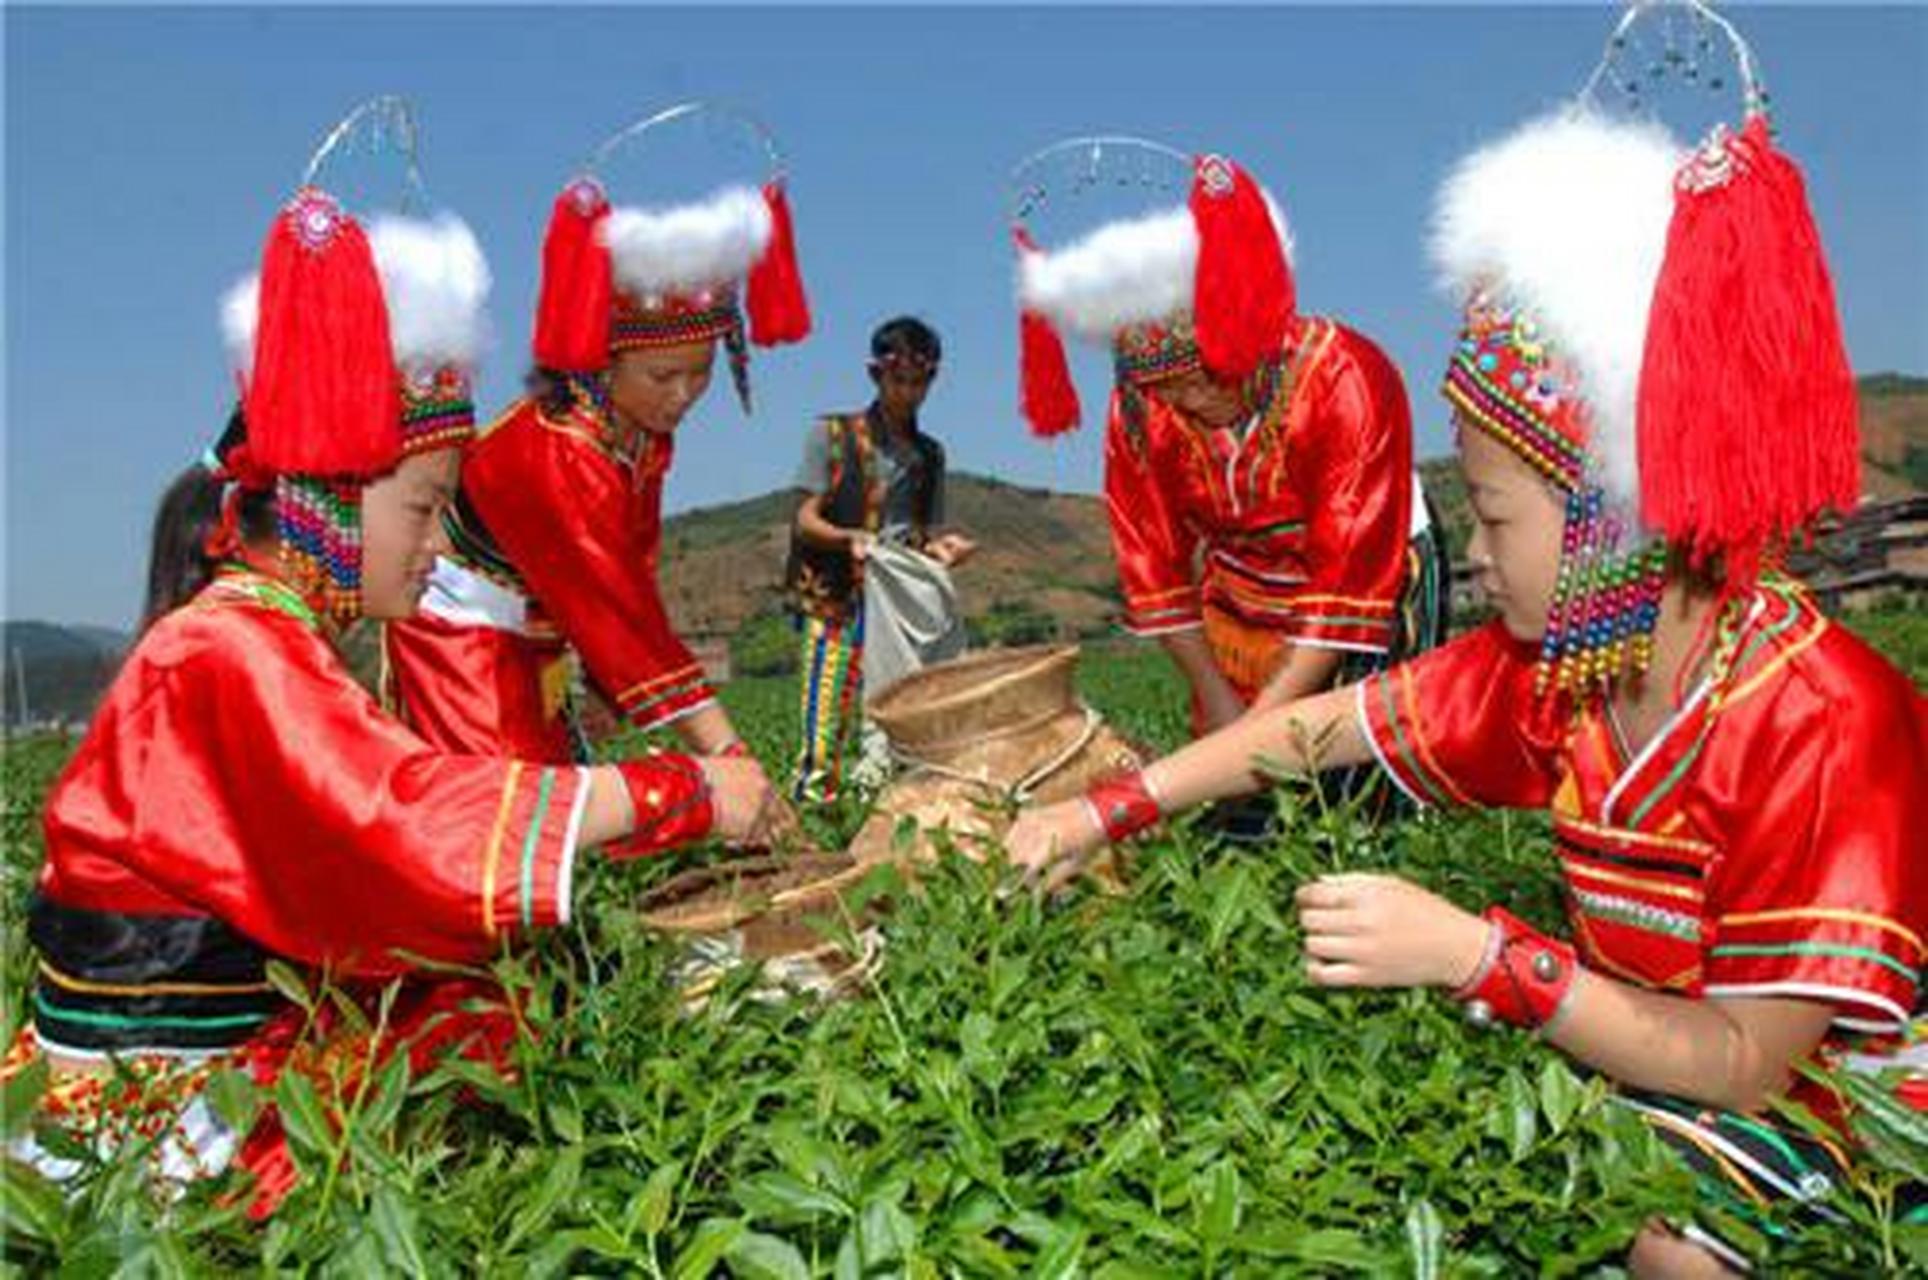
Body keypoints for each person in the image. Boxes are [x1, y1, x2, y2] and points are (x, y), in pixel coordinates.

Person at [1009, 105, 1926, 1274]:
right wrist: (1102, 808)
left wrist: (1482, 956)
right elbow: (1318, 724)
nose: (1473, 556)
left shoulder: (1819, 716)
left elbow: (1751, 1060)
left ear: (1611, 516)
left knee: (1663, 1243)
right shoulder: (1558, 670)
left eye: (1492, 516)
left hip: (1834, 1082)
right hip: (1647, 1050)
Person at [5, 148, 777, 1214]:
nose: (432, 545)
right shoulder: (224, 647)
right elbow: (401, 815)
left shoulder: (254, 630)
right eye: (419, 511)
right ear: (326, 498)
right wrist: (680, 791)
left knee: (501, 992)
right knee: (498, 1019)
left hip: (212, 1028)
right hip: (157, 1103)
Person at [383, 105, 811, 776]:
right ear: (601, 365)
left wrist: (615, 690)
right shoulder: (561, 452)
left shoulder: (637, 435)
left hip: (537, 624)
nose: (681, 397)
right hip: (459, 623)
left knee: (572, 803)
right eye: (663, 376)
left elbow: (631, 565)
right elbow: (621, 604)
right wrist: (728, 752)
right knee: (512, 815)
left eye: (700, 377)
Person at [1013, 145, 1447, 769]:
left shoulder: (1345, 377)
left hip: (1367, 579)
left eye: (1206, 379)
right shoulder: (1143, 412)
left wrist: (1255, 735)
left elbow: (1344, 582)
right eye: (1168, 389)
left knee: (1352, 775)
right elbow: (1154, 566)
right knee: (1236, 796)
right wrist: (1216, 700)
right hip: (1243, 594)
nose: (1189, 401)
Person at [785, 315, 975, 803]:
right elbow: (804, 519)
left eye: (919, 382)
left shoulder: (930, 455)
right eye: (898, 380)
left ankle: (889, 806)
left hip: (897, 600)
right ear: (875, 374)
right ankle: (815, 810)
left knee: (900, 706)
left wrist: (941, 551)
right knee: (826, 709)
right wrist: (850, 539)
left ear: (932, 378)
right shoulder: (831, 434)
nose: (908, 393)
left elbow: (916, 535)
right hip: (836, 592)